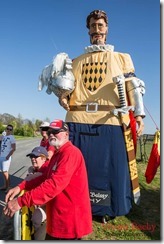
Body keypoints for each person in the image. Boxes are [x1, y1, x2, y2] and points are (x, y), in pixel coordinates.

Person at [54, 10, 146, 219]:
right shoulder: (75, 62)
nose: (97, 30)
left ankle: (107, 209)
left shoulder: (121, 58)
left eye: (100, 25)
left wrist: (139, 116)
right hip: (78, 121)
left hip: (110, 121)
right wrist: (63, 98)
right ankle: (77, 203)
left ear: (107, 29)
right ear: (88, 30)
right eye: (93, 26)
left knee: (109, 169)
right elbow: (67, 89)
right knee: (77, 168)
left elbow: (133, 87)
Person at [3, 119, 92, 240]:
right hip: (57, 220)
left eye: (56, 131)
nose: (51, 134)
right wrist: (21, 187)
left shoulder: (71, 153)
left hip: (68, 223)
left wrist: (20, 201)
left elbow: (53, 185)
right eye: (49, 131)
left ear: (66, 134)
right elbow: (45, 177)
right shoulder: (57, 154)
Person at [25, 146, 50, 240]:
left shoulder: (46, 169)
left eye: (35, 157)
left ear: (44, 158)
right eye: (31, 156)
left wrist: (32, 175)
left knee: (36, 218)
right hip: (42, 202)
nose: (32, 159)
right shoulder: (36, 169)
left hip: (51, 204)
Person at [0, 124, 16, 191]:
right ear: (6, 129)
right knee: (3, 172)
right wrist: (2, 136)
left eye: (10, 129)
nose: (8, 130)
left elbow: (13, 148)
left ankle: (8, 187)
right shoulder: (4, 136)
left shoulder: (11, 137)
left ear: (12, 131)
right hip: (1, 156)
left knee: (5, 172)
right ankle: (5, 185)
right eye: (8, 129)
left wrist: (8, 156)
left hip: (6, 157)